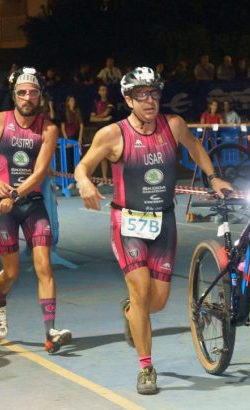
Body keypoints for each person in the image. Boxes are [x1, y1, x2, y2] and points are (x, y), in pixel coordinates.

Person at [74, 67, 232, 395]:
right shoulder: (112, 134)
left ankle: (131, 312)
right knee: (141, 290)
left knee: (155, 302)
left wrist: (213, 176)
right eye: (142, 95)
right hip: (127, 223)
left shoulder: (172, 125)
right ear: (128, 99)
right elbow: (82, 165)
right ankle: (146, 367)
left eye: (155, 93)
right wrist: (84, 181)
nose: (150, 100)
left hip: (164, 222)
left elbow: (195, 147)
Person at [0, 66, 72, 354]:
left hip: (31, 204)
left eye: (33, 92)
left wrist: (13, 194)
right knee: (11, 273)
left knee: (44, 267)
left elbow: (39, 174)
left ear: (40, 96)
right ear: (14, 95)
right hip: (2, 207)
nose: (28, 97)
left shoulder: (48, 128)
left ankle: (50, 332)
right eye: (22, 92)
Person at [89, 84, 115, 185]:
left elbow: (106, 113)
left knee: (112, 155)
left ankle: (114, 179)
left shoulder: (111, 102)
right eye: (101, 90)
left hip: (110, 131)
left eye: (105, 90)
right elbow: (92, 119)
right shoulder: (95, 103)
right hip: (99, 131)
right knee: (102, 156)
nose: (103, 91)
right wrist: (103, 119)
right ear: (99, 92)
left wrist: (99, 117)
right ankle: (104, 179)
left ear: (107, 92)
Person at [60, 95, 84, 178]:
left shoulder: (77, 111)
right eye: (71, 101)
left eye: (73, 100)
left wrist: (80, 138)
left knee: (78, 158)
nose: (72, 102)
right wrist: (66, 139)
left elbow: (81, 125)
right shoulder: (65, 112)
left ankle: (78, 177)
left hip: (77, 136)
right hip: (69, 137)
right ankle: (70, 178)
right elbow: (62, 127)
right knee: (69, 158)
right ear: (68, 102)